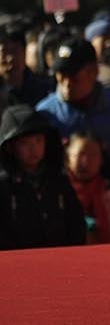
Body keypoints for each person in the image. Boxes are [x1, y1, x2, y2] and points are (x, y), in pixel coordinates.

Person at [35, 37, 110, 237]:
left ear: (94, 72)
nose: (65, 84)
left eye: (73, 77)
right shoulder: (45, 114)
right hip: (62, 223)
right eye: (60, 76)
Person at [0, 104, 86, 249]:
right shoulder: (4, 186)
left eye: (39, 140)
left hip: (59, 258)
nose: (33, 149)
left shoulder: (58, 180)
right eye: (24, 143)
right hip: (18, 262)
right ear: (10, 147)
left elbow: (76, 222)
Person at [65, 132, 110, 243]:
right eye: (80, 154)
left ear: (102, 160)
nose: (86, 162)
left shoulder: (107, 192)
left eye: (93, 155)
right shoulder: (58, 192)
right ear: (67, 157)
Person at [1, 24, 51, 108]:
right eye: (4, 52)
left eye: (15, 51)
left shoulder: (45, 91)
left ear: (25, 52)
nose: (10, 58)